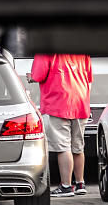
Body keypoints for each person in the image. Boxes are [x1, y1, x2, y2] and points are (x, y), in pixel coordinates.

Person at [30, 54, 93, 197]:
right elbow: (89, 78)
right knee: (77, 146)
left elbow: (38, 76)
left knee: (63, 147)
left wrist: (30, 77)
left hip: (58, 103)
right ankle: (80, 183)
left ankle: (66, 186)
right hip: (80, 102)